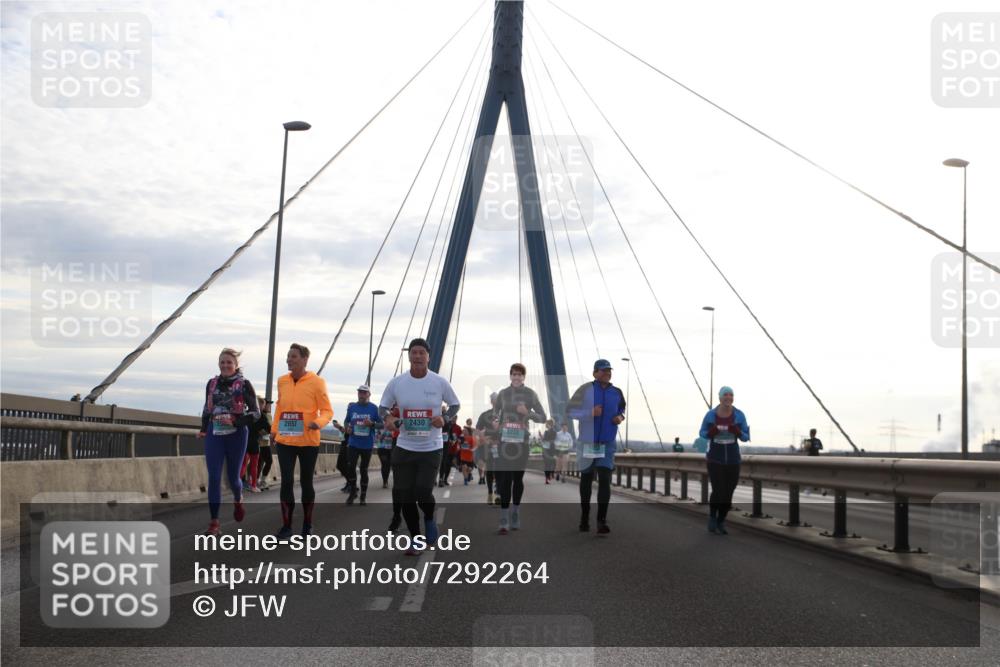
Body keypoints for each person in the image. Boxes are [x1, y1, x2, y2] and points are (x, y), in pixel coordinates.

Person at [379, 338, 460, 553]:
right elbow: (382, 408)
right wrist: (388, 419)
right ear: (409, 356)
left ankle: (430, 517)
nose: (417, 356)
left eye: (421, 353)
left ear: (428, 356)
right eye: (413, 352)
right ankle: (415, 538)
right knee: (405, 495)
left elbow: (455, 405)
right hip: (404, 446)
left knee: (423, 492)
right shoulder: (397, 383)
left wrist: (445, 418)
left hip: (431, 447)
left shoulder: (439, 382)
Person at [271, 343, 333, 538]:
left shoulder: (317, 382)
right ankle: (286, 526)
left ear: (305, 359)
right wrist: (273, 431)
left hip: (308, 440)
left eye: (294, 356)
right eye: (288, 356)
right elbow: (280, 408)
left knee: (307, 483)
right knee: (286, 481)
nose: (289, 359)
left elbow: (327, 410)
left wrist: (318, 422)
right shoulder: (282, 381)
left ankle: (307, 524)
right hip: (285, 440)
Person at [197, 348, 260, 536]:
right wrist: (202, 429)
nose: (225, 365)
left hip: (237, 434)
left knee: (233, 478)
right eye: (222, 362)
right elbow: (207, 408)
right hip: (214, 433)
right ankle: (214, 523)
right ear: (219, 364)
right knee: (214, 477)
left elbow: (255, 412)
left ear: (236, 365)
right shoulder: (211, 383)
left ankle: (238, 499)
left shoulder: (244, 384)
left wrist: (235, 421)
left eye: (229, 362)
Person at [567, 359, 625, 536]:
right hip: (587, 443)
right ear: (595, 373)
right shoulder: (585, 390)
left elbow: (622, 411)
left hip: (607, 445)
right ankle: (584, 518)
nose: (607, 373)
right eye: (603, 370)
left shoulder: (617, 392)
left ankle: (601, 521)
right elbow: (569, 411)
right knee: (586, 481)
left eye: (609, 370)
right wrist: (589, 413)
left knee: (605, 480)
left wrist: (619, 418)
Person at [493, 362, 547, 534]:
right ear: (510, 376)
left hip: (521, 443)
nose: (516, 377)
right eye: (514, 374)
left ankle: (515, 512)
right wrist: (495, 421)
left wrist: (528, 413)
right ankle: (503, 517)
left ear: (524, 377)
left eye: (520, 374)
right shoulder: (503, 394)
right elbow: (495, 412)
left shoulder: (530, 394)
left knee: (517, 479)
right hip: (505, 442)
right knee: (505, 479)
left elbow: (543, 417)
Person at [699, 386, 750, 535]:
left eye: (731, 395)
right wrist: (711, 432)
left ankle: (722, 520)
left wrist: (738, 432)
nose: (728, 397)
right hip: (715, 459)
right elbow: (702, 433)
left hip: (733, 460)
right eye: (725, 395)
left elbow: (746, 437)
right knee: (719, 491)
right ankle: (713, 517)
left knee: (728, 494)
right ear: (720, 398)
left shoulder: (739, 415)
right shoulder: (711, 415)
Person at [344, 385, 382, 506]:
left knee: (363, 470)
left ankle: (363, 496)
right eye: (360, 392)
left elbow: (382, 425)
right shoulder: (352, 407)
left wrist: (372, 424)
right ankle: (353, 492)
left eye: (364, 393)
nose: (361, 395)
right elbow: (346, 420)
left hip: (367, 444)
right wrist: (347, 428)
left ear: (369, 395)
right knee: (351, 467)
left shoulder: (374, 408)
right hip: (353, 443)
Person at [476, 392, 501, 505]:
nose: (496, 401)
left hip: (502, 447)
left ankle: (498, 493)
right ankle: (490, 492)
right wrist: (484, 438)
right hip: (489, 447)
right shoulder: (484, 415)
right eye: (494, 399)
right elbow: (477, 430)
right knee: (490, 470)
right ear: (491, 401)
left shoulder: (507, 415)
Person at [250, 397, 273, 491]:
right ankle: (257, 481)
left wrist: (272, 436)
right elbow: (258, 428)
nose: (269, 406)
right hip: (260, 442)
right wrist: (262, 433)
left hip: (266, 442)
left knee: (264, 461)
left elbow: (270, 428)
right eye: (267, 404)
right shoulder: (261, 415)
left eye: (269, 404)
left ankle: (260, 481)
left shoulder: (269, 415)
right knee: (260, 462)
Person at [375, 409, 397, 489]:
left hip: (392, 447)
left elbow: (397, 434)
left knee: (393, 464)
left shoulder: (394, 423)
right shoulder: (379, 424)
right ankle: (385, 481)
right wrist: (380, 436)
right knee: (385, 465)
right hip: (382, 447)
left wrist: (391, 432)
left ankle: (397, 482)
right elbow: (376, 436)